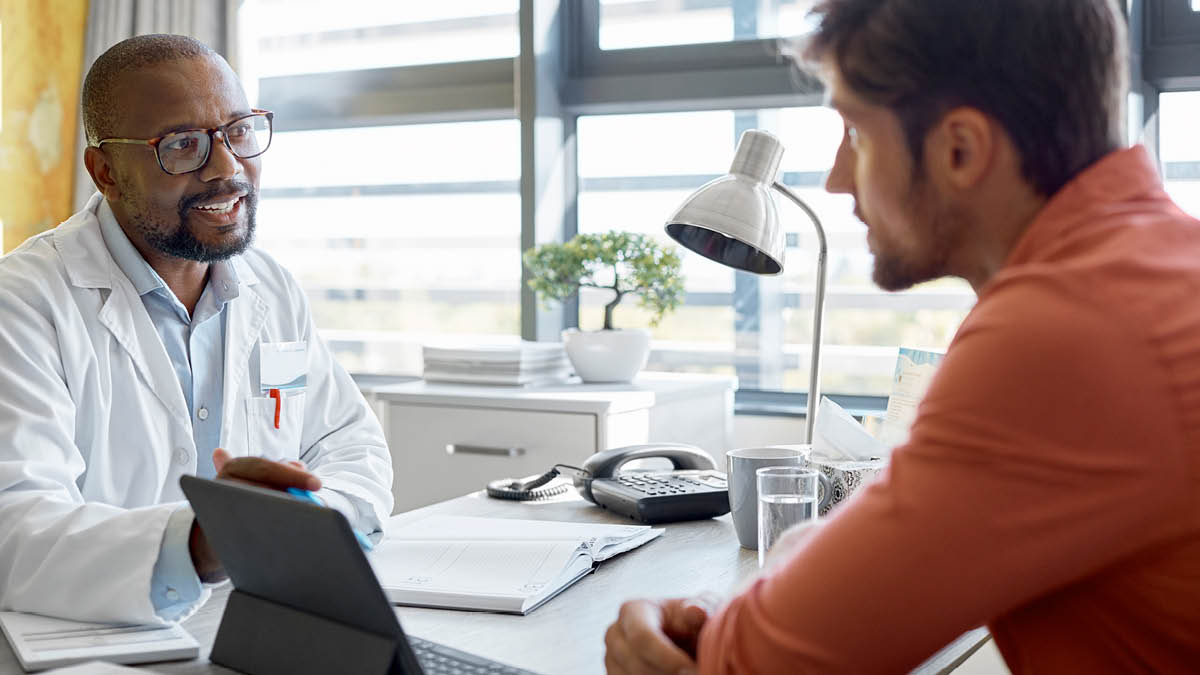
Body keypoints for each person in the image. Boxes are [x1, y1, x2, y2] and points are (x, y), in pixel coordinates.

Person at [604, 0, 1200, 672]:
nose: (835, 180)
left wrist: (694, 626)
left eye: (855, 132)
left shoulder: (1063, 330)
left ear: (960, 149)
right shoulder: (1155, 269)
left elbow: (761, 661)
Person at [0, 34, 392, 625]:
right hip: (91, 642)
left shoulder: (271, 286)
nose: (227, 167)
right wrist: (199, 544)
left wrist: (303, 525)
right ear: (104, 170)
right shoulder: (24, 303)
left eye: (239, 130)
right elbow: (15, 526)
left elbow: (349, 445)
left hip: (260, 617)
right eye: (183, 145)